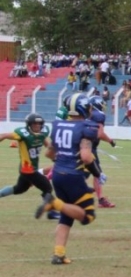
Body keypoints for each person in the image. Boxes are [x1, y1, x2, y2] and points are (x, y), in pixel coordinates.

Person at [35, 94, 100, 264]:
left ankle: (58, 254)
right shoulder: (85, 127)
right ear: (84, 107)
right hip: (73, 175)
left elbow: (49, 153)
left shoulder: (58, 126)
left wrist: (62, 160)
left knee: (66, 215)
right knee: (87, 216)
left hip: (58, 175)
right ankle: (53, 203)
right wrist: (96, 171)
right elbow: (86, 157)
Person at [0, 113, 53, 207]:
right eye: (34, 124)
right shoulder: (23, 134)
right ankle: (50, 211)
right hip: (27, 168)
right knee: (47, 188)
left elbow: (44, 140)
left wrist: (52, 151)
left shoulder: (43, 132)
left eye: (39, 123)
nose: (37, 125)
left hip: (30, 168)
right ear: (29, 125)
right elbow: (4, 135)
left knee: (19, 189)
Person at [88, 96, 117, 208]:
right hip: (89, 147)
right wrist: (110, 141)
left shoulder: (87, 114)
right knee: (97, 174)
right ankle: (100, 199)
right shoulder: (99, 115)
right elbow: (99, 134)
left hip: (80, 144)